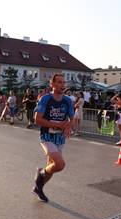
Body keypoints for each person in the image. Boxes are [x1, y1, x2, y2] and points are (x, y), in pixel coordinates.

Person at [33, 73, 74, 202]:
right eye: (59, 82)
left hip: (60, 138)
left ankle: (38, 188)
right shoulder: (45, 99)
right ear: (52, 84)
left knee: (51, 166)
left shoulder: (67, 100)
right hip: (46, 136)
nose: (62, 85)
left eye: (63, 82)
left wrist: (68, 127)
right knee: (60, 164)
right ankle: (40, 174)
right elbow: (37, 119)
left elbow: (71, 119)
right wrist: (56, 125)